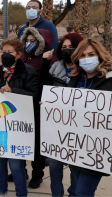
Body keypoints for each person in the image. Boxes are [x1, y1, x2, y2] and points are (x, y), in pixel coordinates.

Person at [0, 37, 39, 197]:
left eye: (10, 52)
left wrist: (13, 91)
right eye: (4, 52)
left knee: (16, 166)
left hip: (17, 127)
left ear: (19, 54)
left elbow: (34, 95)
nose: (6, 55)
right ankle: (1, 191)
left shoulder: (27, 71)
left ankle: (21, 194)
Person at [39, 33, 83, 196]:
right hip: (56, 128)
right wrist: (44, 62)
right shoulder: (55, 68)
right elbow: (44, 86)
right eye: (64, 47)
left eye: (71, 47)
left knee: (75, 168)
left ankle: (73, 193)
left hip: (78, 129)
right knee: (55, 166)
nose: (67, 50)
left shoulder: (85, 72)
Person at [66, 37, 111, 196]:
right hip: (76, 146)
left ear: (100, 55)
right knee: (73, 190)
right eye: (82, 56)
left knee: (83, 192)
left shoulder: (110, 81)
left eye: (91, 54)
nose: (86, 59)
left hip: (96, 150)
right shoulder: (74, 79)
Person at [18, 27, 57, 188]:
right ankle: (20, 171)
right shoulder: (22, 57)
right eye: (27, 40)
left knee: (36, 145)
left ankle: (37, 174)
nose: (29, 43)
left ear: (42, 43)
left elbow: (52, 84)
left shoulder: (50, 60)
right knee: (19, 139)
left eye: (33, 41)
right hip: (20, 106)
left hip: (38, 107)